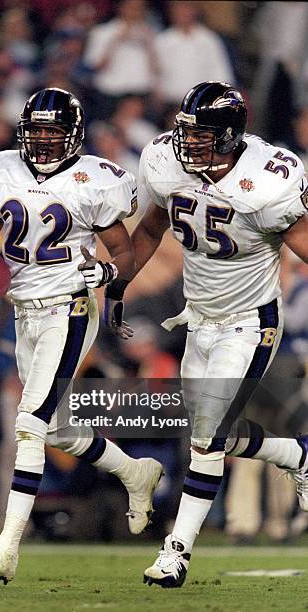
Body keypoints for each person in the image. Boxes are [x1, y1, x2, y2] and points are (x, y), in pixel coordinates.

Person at [0, 87, 163, 583]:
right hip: (23, 312)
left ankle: (7, 545)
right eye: (36, 130)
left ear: (73, 135)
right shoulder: (0, 172)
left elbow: (124, 255)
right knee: (58, 429)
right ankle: (135, 471)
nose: (42, 140)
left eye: (52, 131)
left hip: (69, 308)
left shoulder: (96, 181)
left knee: (29, 423)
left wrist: (106, 275)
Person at [131, 81, 308, 588]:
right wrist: (119, 283)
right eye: (186, 130)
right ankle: (297, 455)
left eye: (202, 133)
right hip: (198, 320)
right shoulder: (168, 164)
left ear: (230, 136)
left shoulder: (268, 180)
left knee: (207, 439)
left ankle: (176, 552)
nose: (188, 141)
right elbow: (149, 229)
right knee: (211, 437)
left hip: (250, 321)